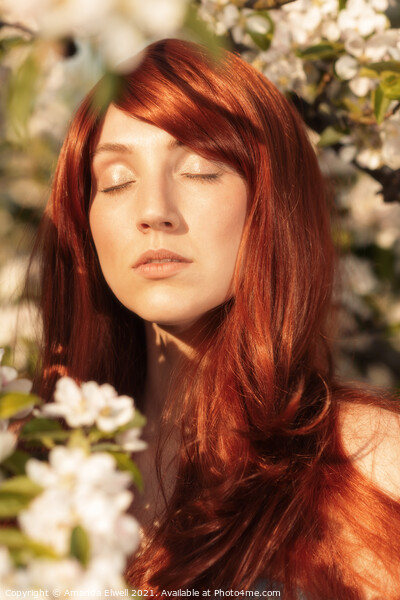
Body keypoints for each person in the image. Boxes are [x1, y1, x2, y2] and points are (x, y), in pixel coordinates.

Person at [29, 38, 400, 598]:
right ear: (83, 222)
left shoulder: (367, 464)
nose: (154, 210)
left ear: (271, 202)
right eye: (117, 181)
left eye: (202, 171)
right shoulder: (27, 463)